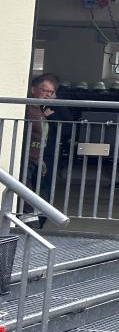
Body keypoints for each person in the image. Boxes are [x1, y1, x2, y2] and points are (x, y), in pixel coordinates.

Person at [23, 74, 61, 223]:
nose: (47, 95)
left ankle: (36, 221)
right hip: (25, 159)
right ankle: (30, 223)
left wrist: (41, 159)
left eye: (51, 92)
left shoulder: (41, 111)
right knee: (27, 192)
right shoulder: (27, 108)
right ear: (34, 90)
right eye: (44, 91)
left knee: (38, 192)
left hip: (36, 159)